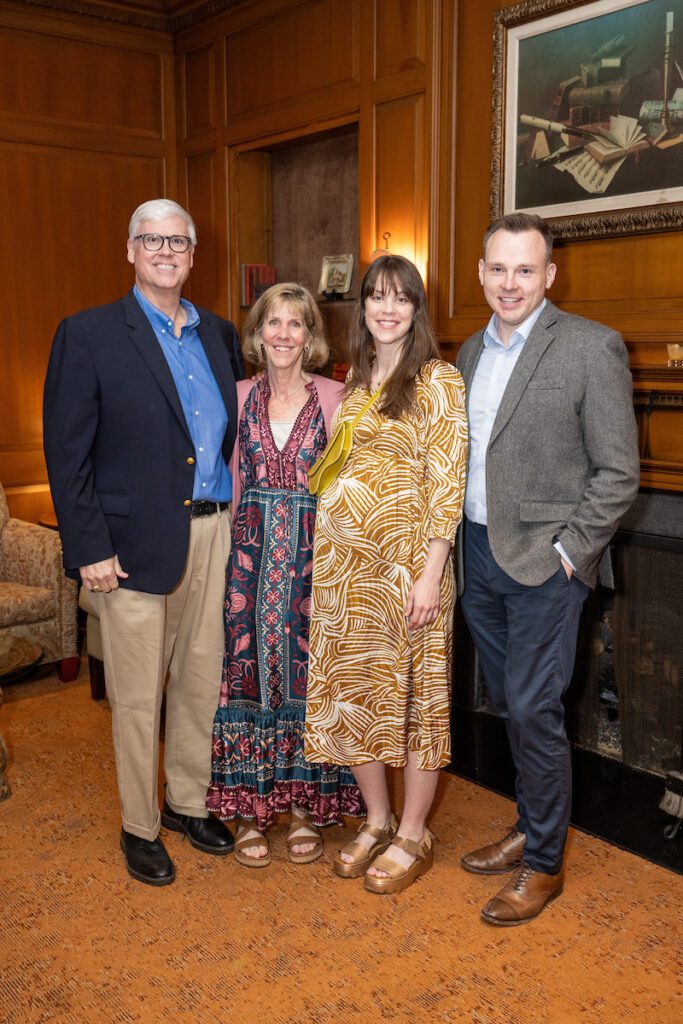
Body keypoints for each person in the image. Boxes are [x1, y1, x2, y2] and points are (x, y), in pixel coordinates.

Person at [43, 198, 243, 886]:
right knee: (136, 697)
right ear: (130, 250)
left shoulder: (219, 335)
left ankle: (188, 802)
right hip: (126, 549)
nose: (165, 251)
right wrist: (88, 547)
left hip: (213, 534)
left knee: (200, 682)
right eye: (151, 239)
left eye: (177, 241)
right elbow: (67, 454)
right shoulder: (88, 334)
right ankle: (140, 824)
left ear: (193, 255)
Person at [456, 212, 640, 925]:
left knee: (534, 707)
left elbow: (617, 473)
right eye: (499, 268)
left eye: (525, 270)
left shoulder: (591, 346)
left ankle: (543, 862)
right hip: (478, 554)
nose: (510, 283)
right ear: (481, 272)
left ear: (549, 275)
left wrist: (570, 554)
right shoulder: (468, 352)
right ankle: (529, 824)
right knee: (509, 704)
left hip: (546, 564)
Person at [305, 254, 468, 894]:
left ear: (416, 308)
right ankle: (377, 818)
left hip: (409, 572)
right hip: (346, 573)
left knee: (419, 701)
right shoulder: (354, 378)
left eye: (402, 298)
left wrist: (431, 574)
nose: (388, 308)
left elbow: (447, 484)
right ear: (364, 306)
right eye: (377, 296)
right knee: (357, 695)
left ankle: (414, 832)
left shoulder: (438, 380)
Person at [207, 283, 364, 866]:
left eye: (295, 324)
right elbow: (224, 477)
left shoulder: (337, 397)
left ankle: (302, 808)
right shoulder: (237, 395)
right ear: (257, 332)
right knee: (246, 673)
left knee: (306, 676)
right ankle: (250, 810)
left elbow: (352, 482)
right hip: (247, 560)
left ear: (310, 336)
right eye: (272, 322)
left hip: (312, 558)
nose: (282, 334)